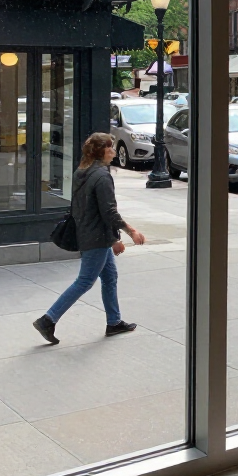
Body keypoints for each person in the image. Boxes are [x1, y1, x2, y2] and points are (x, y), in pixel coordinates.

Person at [33, 132, 146, 345]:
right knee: (85, 281)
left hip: (88, 233)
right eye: (110, 147)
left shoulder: (81, 171)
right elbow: (108, 212)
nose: (113, 151)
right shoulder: (102, 177)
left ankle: (114, 322)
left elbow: (85, 210)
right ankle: (48, 319)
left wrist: (112, 239)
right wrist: (129, 231)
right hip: (96, 238)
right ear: (101, 151)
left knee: (110, 277)